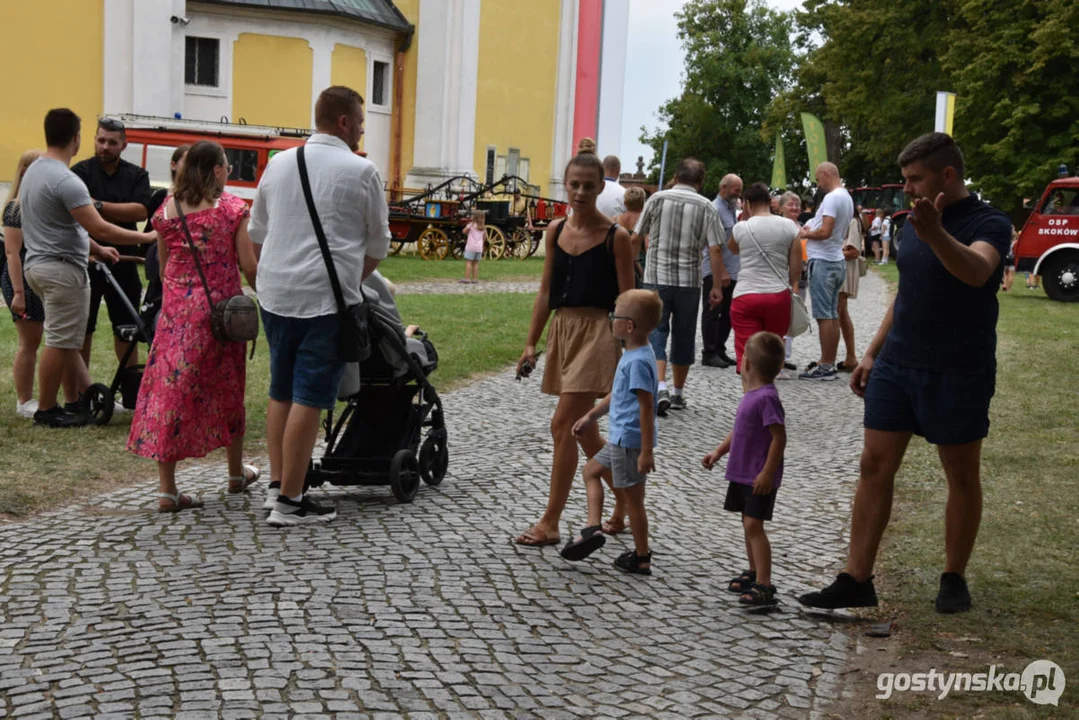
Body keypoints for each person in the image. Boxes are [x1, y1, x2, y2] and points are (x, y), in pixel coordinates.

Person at [798, 132, 1012, 615]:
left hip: (958, 368)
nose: (908, 188)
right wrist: (872, 352)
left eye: (916, 179)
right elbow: (906, 293)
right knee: (874, 466)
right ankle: (856, 579)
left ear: (947, 175)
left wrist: (935, 231)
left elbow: (978, 271)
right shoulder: (910, 223)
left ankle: (953, 576)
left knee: (959, 473)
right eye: (906, 180)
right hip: (898, 364)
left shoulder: (989, 221)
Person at [249, 86, 391, 526]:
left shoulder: (278, 164)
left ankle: (277, 485)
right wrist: (349, 278)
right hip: (323, 299)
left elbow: (258, 231)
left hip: (274, 292)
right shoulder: (362, 170)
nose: (362, 130)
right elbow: (378, 245)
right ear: (345, 122)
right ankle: (291, 501)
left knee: (281, 389)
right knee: (309, 396)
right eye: (361, 123)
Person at [127, 141, 260, 511]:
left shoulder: (166, 211)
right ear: (216, 170)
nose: (229, 170)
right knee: (229, 389)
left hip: (177, 316)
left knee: (169, 396)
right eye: (227, 165)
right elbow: (248, 266)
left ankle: (167, 490)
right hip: (223, 317)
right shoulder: (233, 210)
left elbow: (165, 267)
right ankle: (236, 474)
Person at [514, 148, 635, 546]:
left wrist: (630, 352)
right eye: (574, 185)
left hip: (600, 332)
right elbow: (546, 291)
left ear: (602, 187)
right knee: (585, 433)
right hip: (564, 331)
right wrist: (532, 341)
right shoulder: (555, 231)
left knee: (563, 425)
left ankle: (550, 522)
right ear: (566, 186)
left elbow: (628, 297)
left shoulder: (616, 238)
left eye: (588, 185)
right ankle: (627, 502)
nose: (580, 192)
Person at [20, 108, 154, 428]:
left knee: (67, 338)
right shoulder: (68, 178)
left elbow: (67, 225)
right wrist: (146, 235)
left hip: (39, 264)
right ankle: (48, 409)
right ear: (78, 138)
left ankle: (85, 396)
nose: (104, 146)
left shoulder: (35, 170)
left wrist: (95, 248)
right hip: (61, 269)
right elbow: (101, 226)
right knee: (60, 341)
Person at [561, 289, 662, 574]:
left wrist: (646, 451)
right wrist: (592, 415)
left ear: (628, 326)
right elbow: (618, 395)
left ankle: (642, 557)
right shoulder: (633, 353)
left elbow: (646, 407)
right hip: (620, 438)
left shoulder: (638, 361)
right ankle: (593, 527)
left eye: (614, 316)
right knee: (591, 471)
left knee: (634, 502)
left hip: (630, 442)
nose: (611, 320)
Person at [636, 158, 728, 415]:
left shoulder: (656, 199)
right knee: (684, 335)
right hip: (689, 281)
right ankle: (677, 393)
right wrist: (717, 286)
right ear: (700, 182)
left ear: (675, 178)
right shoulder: (707, 206)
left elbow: (637, 234)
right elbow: (715, 248)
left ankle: (660, 386)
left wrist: (634, 263)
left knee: (656, 333)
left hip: (656, 276)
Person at [702, 331, 787, 607]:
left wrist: (767, 472)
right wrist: (718, 451)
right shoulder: (751, 396)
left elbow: (779, 437)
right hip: (742, 473)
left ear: (746, 364)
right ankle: (753, 571)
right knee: (747, 523)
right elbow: (739, 431)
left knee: (753, 525)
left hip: (758, 476)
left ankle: (765, 584)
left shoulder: (766, 398)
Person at [71, 117, 153, 379]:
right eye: (101, 140)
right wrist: (111, 212)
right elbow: (76, 214)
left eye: (112, 142)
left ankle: (129, 390)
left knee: (126, 328)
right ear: (94, 139)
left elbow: (140, 211)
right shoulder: (79, 173)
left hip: (125, 261)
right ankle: (82, 393)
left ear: (124, 145)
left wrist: (96, 206)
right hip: (86, 258)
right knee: (84, 329)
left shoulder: (138, 175)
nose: (105, 146)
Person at [728, 183, 801, 372]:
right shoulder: (790, 227)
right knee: (772, 351)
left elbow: (733, 249)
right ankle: (768, 393)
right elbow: (795, 270)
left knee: (747, 353)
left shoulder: (741, 228)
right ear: (770, 202)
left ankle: (750, 396)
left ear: (747, 204)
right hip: (777, 295)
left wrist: (745, 217)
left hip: (746, 295)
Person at [798, 162, 854, 381]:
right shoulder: (846, 197)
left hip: (824, 261)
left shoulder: (832, 198)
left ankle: (827, 366)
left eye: (818, 178)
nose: (818, 183)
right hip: (836, 260)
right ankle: (826, 360)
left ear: (826, 174)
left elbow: (826, 231)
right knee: (831, 314)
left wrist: (806, 235)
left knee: (824, 316)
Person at [3, 150, 48, 418]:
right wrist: (18, 293)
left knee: (40, 339)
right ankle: (24, 401)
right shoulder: (16, 208)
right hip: (21, 280)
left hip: (35, 277)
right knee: (29, 342)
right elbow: (12, 254)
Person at [703, 174, 743, 368]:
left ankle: (719, 348)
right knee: (713, 310)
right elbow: (711, 244)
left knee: (728, 312)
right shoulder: (714, 208)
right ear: (724, 188)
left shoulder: (731, 207)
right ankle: (709, 352)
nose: (739, 194)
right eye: (736, 189)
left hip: (732, 267)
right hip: (716, 268)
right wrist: (722, 271)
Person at [837, 210, 865, 371]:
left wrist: (831, 253)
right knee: (841, 314)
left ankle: (827, 359)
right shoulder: (844, 219)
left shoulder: (852, 221)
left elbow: (853, 251)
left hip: (844, 271)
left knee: (834, 313)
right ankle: (851, 356)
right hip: (841, 269)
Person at [614, 186, 646, 285]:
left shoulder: (614, 220)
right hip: (640, 265)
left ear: (625, 202)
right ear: (642, 201)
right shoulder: (646, 221)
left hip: (618, 264)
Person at [460, 209, 485, 284]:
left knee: (469, 262)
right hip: (479, 248)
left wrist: (467, 231)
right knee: (476, 263)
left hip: (471, 247)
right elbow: (484, 237)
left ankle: (467, 278)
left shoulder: (471, 225)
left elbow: (464, 231)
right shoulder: (483, 227)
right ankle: (475, 279)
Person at [1002, 227, 1017, 292]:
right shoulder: (1015, 243)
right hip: (1012, 259)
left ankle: (1004, 285)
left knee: (1005, 273)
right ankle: (1009, 289)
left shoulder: (1005, 241)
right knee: (1011, 274)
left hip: (1005, 258)